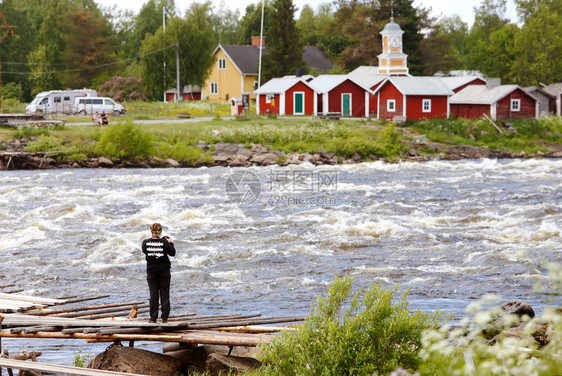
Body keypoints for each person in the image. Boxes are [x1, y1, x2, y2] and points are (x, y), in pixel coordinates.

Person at [142, 223, 176, 323]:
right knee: (164, 294)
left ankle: (153, 318)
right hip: (164, 272)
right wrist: (170, 243)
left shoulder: (145, 242)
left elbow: (146, 252)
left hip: (151, 272)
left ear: (151, 231)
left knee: (153, 295)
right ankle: (164, 318)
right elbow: (172, 253)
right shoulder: (164, 242)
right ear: (160, 232)